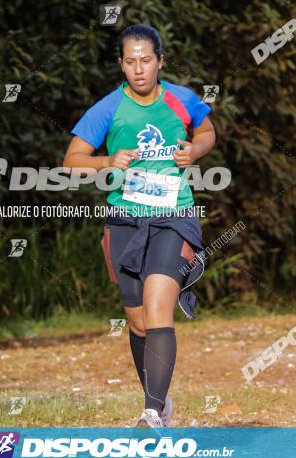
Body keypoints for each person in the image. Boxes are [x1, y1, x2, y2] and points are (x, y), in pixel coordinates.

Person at [63, 24, 216, 428]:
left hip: (174, 215)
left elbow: (207, 131)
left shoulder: (182, 99)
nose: (139, 69)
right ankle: (160, 402)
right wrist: (105, 163)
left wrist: (195, 150)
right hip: (125, 220)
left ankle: (151, 412)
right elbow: (71, 161)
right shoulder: (108, 109)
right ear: (121, 65)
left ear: (160, 60)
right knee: (138, 322)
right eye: (130, 62)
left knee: (157, 306)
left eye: (146, 60)